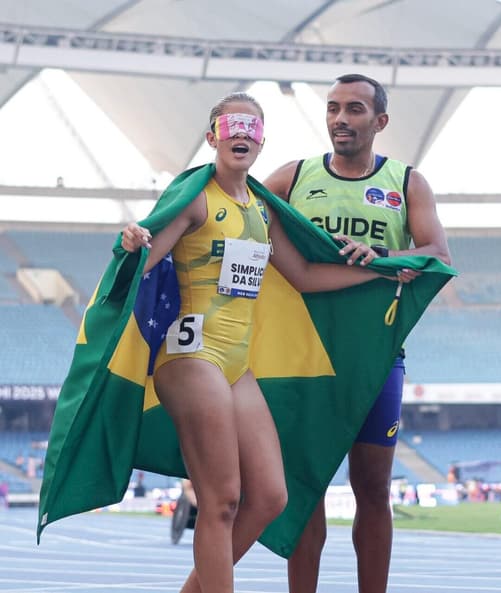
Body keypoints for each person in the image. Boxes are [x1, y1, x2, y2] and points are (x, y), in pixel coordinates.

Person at [120, 92, 403, 593]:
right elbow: (143, 260)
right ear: (213, 137)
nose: (242, 135)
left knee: (271, 497)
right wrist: (132, 242)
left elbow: (306, 274)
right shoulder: (196, 198)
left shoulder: (261, 209)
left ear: (262, 139)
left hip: (235, 363)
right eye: (232, 126)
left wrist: (381, 274)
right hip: (191, 357)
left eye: (252, 127)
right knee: (223, 499)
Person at [263, 73, 451, 593]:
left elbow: (438, 255)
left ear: (380, 121)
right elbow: (237, 204)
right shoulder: (293, 176)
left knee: (373, 489)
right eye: (332, 108)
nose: (340, 119)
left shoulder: (407, 181)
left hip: (375, 355)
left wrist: (386, 255)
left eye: (354, 109)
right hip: (302, 356)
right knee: (307, 486)